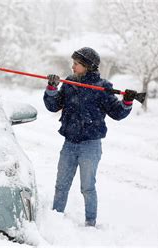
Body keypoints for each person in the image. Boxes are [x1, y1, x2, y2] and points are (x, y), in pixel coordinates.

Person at [43, 47, 136, 227]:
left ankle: (90, 223)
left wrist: (127, 102)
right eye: (73, 63)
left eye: (76, 64)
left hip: (90, 146)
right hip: (69, 143)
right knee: (61, 185)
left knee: (87, 187)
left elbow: (117, 113)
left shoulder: (102, 88)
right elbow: (54, 106)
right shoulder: (70, 83)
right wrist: (52, 88)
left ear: (88, 66)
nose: (73, 67)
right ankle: (55, 221)